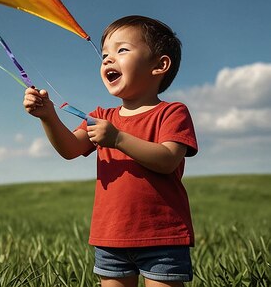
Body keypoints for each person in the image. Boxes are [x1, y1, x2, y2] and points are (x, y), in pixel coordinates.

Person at [23, 15, 198, 287]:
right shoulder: (101, 116)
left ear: (160, 65)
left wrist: (118, 139)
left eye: (122, 50)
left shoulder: (172, 113)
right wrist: (48, 117)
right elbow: (70, 149)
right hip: (111, 236)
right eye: (105, 54)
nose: (107, 59)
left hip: (161, 236)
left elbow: (167, 160)